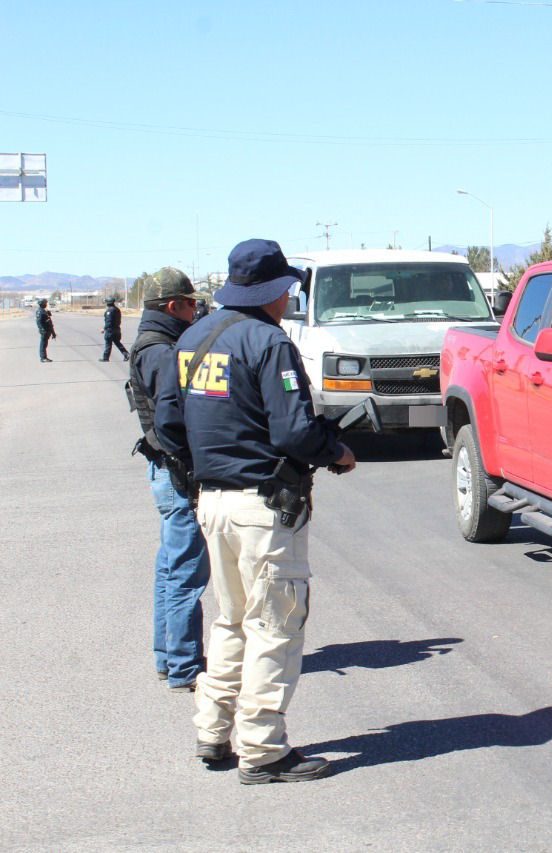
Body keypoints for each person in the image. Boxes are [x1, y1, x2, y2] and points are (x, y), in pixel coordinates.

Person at [155, 238, 357, 783]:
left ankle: (212, 731)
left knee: (231, 620)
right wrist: (337, 452)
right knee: (275, 624)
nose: (289, 297)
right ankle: (264, 749)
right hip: (264, 508)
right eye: (287, 288)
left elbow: (169, 425)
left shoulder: (194, 337)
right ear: (272, 290)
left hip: (212, 503)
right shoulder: (268, 343)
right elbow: (293, 430)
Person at [128, 268, 209, 692]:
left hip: (166, 468)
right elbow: (171, 417)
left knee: (171, 567)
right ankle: (184, 664)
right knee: (186, 571)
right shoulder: (160, 351)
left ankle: (170, 656)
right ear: (173, 306)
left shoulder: (157, 343)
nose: (196, 310)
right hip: (176, 471)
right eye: (191, 303)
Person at [101, 296, 129, 361]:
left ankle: (105, 358)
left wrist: (104, 328)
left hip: (110, 330)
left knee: (108, 344)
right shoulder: (117, 309)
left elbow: (109, 321)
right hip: (117, 329)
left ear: (108, 303)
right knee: (117, 343)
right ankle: (126, 354)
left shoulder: (109, 311)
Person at [35, 298, 55, 362]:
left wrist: (53, 333)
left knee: (45, 344)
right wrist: (42, 330)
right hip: (44, 330)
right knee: (43, 344)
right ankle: (43, 358)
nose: (46, 304)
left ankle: (44, 357)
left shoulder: (44, 311)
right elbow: (39, 322)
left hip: (47, 330)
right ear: (42, 304)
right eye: (45, 303)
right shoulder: (40, 311)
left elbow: (49, 322)